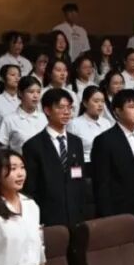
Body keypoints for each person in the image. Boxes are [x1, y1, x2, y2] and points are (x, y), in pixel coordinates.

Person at [91, 89, 134, 254]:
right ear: (117, 111)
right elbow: (101, 184)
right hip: (118, 213)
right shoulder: (104, 140)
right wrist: (108, 218)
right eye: (131, 107)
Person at [21, 89, 86, 226]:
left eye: (69, 108)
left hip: (76, 215)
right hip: (49, 216)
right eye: (61, 107)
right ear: (47, 110)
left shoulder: (76, 142)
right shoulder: (33, 145)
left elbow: (80, 178)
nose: (66, 112)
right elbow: (31, 188)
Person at [0, 76, 47, 150]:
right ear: (20, 93)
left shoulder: (44, 118)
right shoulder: (9, 120)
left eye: (38, 92)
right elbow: (2, 150)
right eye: (31, 92)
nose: (35, 96)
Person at [69, 86, 113, 163]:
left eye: (102, 101)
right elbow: (71, 152)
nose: (100, 105)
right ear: (85, 103)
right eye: (96, 101)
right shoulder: (74, 124)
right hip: (85, 164)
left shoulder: (106, 123)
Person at [0, 65, 22, 130]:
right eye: (13, 75)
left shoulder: (23, 100)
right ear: (2, 78)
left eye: (19, 75)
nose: (17, 78)